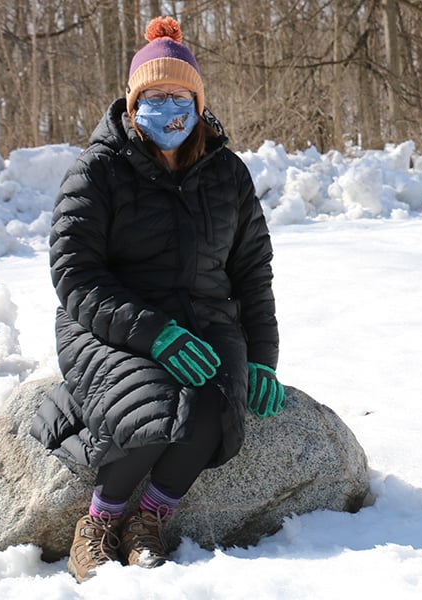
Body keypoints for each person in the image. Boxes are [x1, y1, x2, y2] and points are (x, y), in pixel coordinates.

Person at [30, 16, 285, 583]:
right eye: (152, 96)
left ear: (197, 103)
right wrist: (155, 334)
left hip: (203, 318)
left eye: (178, 95)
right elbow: (74, 274)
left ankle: (149, 519)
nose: (166, 107)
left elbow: (252, 273)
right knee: (147, 408)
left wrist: (263, 356)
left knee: (217, 412)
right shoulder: (98, 170)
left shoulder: (228, 175)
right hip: (108, 322)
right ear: (131, 102)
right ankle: (97, 524)